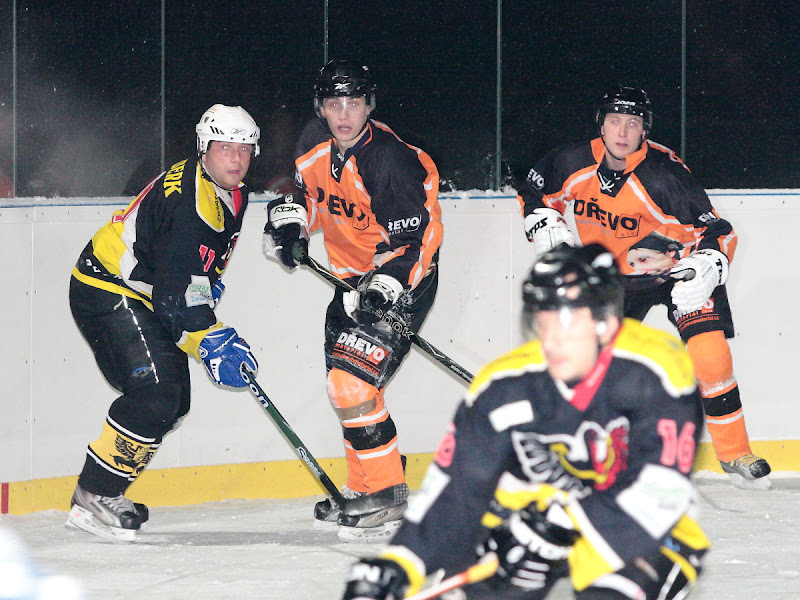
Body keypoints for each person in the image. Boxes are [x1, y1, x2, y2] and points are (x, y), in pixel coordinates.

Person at [341, 243, 710, 600]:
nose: (552, 341)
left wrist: (561, 522)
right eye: (542, 323)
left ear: (606, 321)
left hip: (636, 529)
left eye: (567, 322)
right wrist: (399, 563)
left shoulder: (658, 371)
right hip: (527, 526)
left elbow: (663, 490)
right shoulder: (503, 386)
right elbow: (456, 492)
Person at [516, 85, 771, 490]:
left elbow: (718, 231)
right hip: (615, 276)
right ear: (601, 125)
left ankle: (735, 452)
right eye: (614, 121)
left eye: (632, 124)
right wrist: (543, 220)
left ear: (644, 131)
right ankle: (586, 449)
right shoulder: (571, 161)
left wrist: (705, 266)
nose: (622, 132)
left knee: (710, 356)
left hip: (676, 270)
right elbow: (533, 189)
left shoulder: (664, 175)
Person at [262, 59, 443, 542]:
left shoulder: (390, 160)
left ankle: (386, 495)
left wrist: (387, 285)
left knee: (351, 383)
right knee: (346, 387)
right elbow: (309, 197)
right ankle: (364, 487)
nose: (344, 114)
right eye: (334, 103)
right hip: (348, 284)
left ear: (369, 105)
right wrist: (290, 225)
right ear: (320, 107)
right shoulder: (311, 143)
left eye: (355, 102)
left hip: (403, 282)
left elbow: (419, 241)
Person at [66, 104, 261, 542]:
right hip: (106, 286)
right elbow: (174, 301)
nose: (236, 158)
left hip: (142, 291)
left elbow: (188, 274)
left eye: (244, 149)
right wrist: (210, 340)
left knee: (173, 402)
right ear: (203, 148)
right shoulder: (190, 205)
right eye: (224, 147)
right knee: (157, 394)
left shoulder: (230, 191)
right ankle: (93, 495)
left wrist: (201, 292)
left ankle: (104, 490)